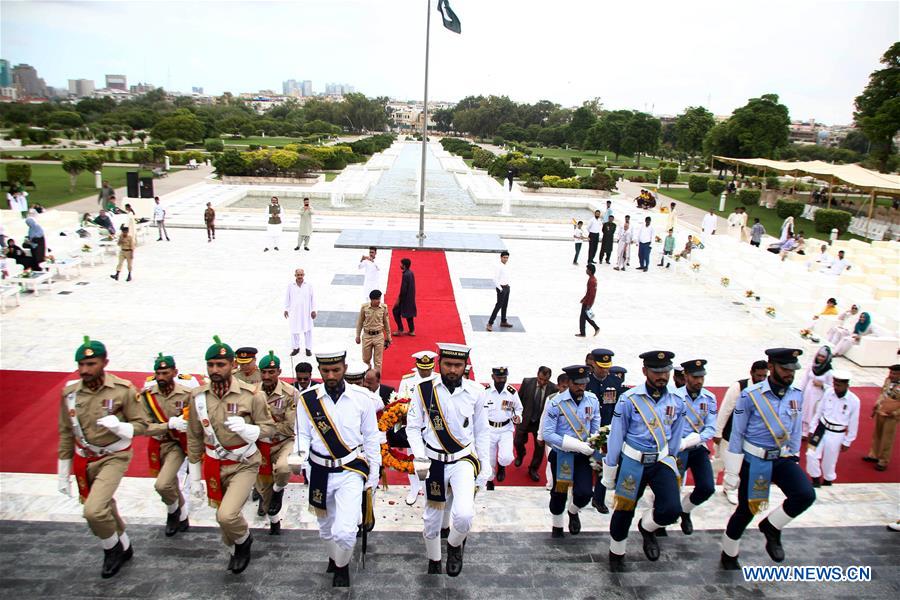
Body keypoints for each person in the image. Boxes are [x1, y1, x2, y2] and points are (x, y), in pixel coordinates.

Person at [57, 336, 147, 578]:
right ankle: (125, 544)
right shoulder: (70, 394)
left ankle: (111, 548)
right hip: (84, 458)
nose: (84, 370)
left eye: (91, 364)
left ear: (105, 362)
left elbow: (142, 424)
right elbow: (66, 432)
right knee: (104, 504)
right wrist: (63, 470)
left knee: (93, 510)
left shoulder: (123, 390)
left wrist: (121, 427)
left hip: (114, 455)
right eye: (81, 365)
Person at [720, 348, 816, 570]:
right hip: (755, 460)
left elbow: (795, 428)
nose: (789, 374)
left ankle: (772, 527)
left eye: (793, 370)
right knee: (747, 510)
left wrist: (794, 455)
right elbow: (737, 433)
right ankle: (729, 552)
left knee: (805, 494)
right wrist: (732, 471)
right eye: (784, 369)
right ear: (771, 366)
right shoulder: (750, 395)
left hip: (781, 458)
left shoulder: (795, 395)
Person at [187, 336, 275, 574]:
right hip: (214, 464)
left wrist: (251, 430)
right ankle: (237, 542)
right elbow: (194, 435)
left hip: (244, 462)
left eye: (221, 364)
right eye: (211, 365)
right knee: (222, 518)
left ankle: (245, 540)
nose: (215, 370)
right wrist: (194, 475)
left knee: (227, 515)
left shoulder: (252, 395)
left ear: (232, 365)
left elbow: (269, 428)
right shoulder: (198, 397)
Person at [406, 343, 491, 576]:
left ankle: (454, 545)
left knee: (464, 514)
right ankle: (434, 558)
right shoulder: (423, 389)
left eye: (458, 365)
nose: (452, 370)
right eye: (448, 364)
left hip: (462, 460)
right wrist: (419, 456)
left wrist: (486, 465)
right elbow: (412, 427)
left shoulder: (476, 391)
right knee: (431, 519)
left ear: (465, 367)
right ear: (439, 364)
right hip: (433, 462)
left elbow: (482, 431)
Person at [602, 351, 685, 572]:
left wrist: (673, 459)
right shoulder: (629, 400)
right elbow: (617, 435)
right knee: (623, 511)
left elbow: (676, 435)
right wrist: (610, 468)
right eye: (657, 371)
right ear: (644, 371)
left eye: (666, 371)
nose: (662, 376)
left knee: (671, 509)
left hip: (661, 460)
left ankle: (647, 527)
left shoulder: (676, 400)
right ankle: (616, 552)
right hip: (633, 461)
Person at [542, 365, 601, 538]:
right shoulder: (556, 403)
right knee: (558, 494)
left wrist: (594, 444)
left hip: (583, 456)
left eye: (583, 384)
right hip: (563, 454)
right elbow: (548, 434)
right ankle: (557, 525)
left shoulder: (592, 400)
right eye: (576, 384)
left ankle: (573, 511)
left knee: (584, 493)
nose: (580, 388)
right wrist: (574, 445)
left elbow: (595, 427)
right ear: (569, 383)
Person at [140, 352, 192, 538]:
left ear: (175, 372)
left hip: (175, 445)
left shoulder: (186, 394)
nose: (161, 377)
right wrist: (168, 425)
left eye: (165, 373)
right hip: (157, 443)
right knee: (170, 483)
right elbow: (144, 427)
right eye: (158, 373)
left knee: (162, 484)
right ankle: (183, 513)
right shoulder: (147, 396)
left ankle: (172, 511)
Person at [671, 359, 717, 535]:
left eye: (702, 377)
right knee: (671, 488)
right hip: (677, 448)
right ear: (686, 376)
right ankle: (658, 521)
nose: (699, 381)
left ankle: (685, 509)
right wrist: (679, 443)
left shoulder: (709, 398)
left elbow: (711, 427)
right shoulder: (674, 397)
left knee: (707, 487)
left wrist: (694, 439)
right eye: (695, 377)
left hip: (697, 447)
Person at [255, 351, 299, 534]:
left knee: (282, 468)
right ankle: (274, 520)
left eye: (271, 372)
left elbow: (289, 427)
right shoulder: (252, 393)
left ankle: (279, 489)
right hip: (260, 445)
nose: (266, 376)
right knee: (266, 497)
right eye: (263, 372)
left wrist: (263, 427)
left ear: (279, 372)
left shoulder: (290, 393)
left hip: (283, 442)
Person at [714, 360, 769, 505]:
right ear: (751, 373)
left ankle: (729, 488)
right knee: (720, 459)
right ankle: (712, 479)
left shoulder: (767, 388)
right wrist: (718, 432)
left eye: (765, 376)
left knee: (735, 464)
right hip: (730, 432)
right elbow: (725, 410)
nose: (762, 379)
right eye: (759, 375)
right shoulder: (739, 387)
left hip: (749, 435)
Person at [806, 370, 859, 487]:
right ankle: (815, 479)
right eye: (834, 384)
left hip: (837, 433)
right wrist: (812, 429)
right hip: (821, 428)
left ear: (847, 385)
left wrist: (847, 441)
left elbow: (854, 422)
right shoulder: (829, 392)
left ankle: (827, 480)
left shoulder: (854, 401)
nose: (835, 387)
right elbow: (819, 411)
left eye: (839, 385)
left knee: (829, 460)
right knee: (810, 454)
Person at [587, 348, 623, 514]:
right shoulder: (585, 381)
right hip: (587, 430)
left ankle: (598, 498)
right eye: (601, 366)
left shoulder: (615, 382)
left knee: (604, 465)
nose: (604, 370)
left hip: (607, 430)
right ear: (593, 364)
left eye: (607, 367)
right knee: (586, 466)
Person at [481, 366, 523, 490]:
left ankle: (502, 466)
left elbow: (518, 408)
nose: (501, 380)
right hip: (489, 429)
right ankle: (490, 480)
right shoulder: (485, 391)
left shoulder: (512, 392)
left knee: (506, 458)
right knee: (489, 459)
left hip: (506, 429)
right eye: (499, 377)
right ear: (493, 377)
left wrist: (518, 417)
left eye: (504, 377)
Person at [515, 366, 557, 482]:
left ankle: (533, 469)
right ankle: (521, 453)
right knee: (518, 441)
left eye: (545, 380)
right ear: (537, 375)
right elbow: (519, 400)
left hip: (541, 422)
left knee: (539, 448)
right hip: (525, 419)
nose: (542, 382)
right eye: (540, 379)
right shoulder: (527, 382)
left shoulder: (553, 388)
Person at [862, 364, 900, 472]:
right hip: (881, 411)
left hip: (892, 415)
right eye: (891, 373)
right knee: (877, 434)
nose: (891, 375)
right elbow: (883, 393)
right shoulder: (888, 381)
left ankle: (883, 460)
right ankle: (874, 454)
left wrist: (895, 413)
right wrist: (877, 403)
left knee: (887, 438)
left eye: (894, 373)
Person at [798, 346, 834, 436]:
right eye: (819, 356)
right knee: (805, 410)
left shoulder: (829, 371)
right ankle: (802, 430)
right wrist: (799, 392)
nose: (820, 358)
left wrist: (822, 385)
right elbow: (804, 380)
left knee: (813, 412)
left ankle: (810, 430)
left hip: (818, 395)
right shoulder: (811, 366)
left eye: (823, 357)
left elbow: (832, 387)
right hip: (808, 393)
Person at [355, 289, 392, 371]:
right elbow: (360, 322)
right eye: (377, 299)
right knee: (365, 360)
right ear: (372, 299)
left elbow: (386, 323)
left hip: (379, 336)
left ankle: (377, 380)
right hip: (367, 336)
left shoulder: (383, 308)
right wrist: (357, 335)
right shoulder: (364, 308)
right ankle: (367, 377)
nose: (379, 301)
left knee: (378, 361)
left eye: (379, 299)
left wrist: (389, 337)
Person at [285, 268, 317, 357]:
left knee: (308, 330)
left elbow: (313, 298)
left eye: (301, 275)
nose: (300, 276)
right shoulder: (290, 286)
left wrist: (313, 310)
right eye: (298, 275)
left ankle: (308, 348)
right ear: (295, 275)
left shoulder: (308, 285)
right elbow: (287, 298)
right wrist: (286, 309)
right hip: (294, 312)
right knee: (294, 330)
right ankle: (296, 348)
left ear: (304, 275)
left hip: (306, 312)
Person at [486, 251, 512, 331]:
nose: (505, 259)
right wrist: (500, 289)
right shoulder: (498, 267)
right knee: (498, 306)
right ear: (501, 257)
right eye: (504, 257)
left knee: (505, 305)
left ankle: (503, 321)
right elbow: (495, 279)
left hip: (507, 287)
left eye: (507, 258)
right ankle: (490, 323)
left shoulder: (506, 266)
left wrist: (508, 286)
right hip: (501, 288)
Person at [392, 258, 416, 336]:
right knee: (409, 314)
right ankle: (411, 330)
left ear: (404, 265)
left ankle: (400, 329)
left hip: (405, 299)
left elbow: (403, 289)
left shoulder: (405, 275)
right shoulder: (411, 273)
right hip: (410, 298)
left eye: (401, 264)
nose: (400, 265)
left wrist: (399, 299)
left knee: (395, 311)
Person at [576, 264, 600, 337]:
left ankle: (594, 328)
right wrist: (584, 298)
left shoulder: (592, 281)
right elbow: (589, 292)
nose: (586, 270)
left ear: (590, 271)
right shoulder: (592, 279)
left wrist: (589, 304)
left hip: (587, 302)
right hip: (587, 301)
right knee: (584, 317)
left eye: (587, 269)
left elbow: (592, 294)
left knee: (583, 317)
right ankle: (594, 328)